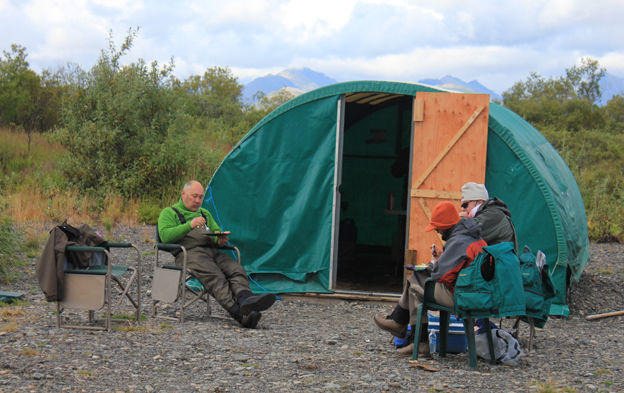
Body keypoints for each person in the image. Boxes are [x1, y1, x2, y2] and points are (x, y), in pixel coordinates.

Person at [373, 201, 487, 357]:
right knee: (418, 280)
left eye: (438, 228)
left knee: (416, 283)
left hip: (464, 296)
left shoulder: (459, 241)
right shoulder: (470, 236)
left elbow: (441, 276)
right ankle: (403, 327)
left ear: (445, 226)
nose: (438, 232)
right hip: (475, 293)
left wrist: (434, 266)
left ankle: (413, 337)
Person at [158, 180, 276, 329]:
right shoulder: (169, 213)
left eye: (201, 197)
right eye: (194, 196)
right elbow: (165, 236)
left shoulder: (205, 214)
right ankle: (239, 314)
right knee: (216, 277)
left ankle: (246, 299)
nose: (198, 201)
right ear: (183, 194)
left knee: (236, 269)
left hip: (211, 251)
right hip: (189, 254)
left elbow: (215, 233)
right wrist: (189, 225)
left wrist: (220, 239)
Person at [459, 182, 518, 252]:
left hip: (498, 262)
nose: (463, 209)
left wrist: (462, 219)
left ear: (479, 202)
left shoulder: (493, 215)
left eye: (465, 205)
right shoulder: (492, 212)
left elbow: (464, 233)